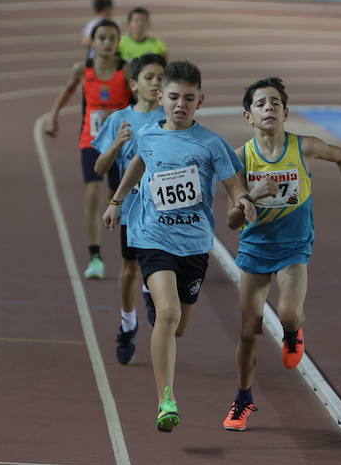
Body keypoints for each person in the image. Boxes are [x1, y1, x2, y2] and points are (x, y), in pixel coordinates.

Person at [101, 60, 256, 432]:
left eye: (188, 98)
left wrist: (242, 200)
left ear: (200, 100)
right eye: (173, 97)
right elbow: (137, 164)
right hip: (152, 237)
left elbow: (234, 184)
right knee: (168, 315)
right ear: (160, 97)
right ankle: (165, 399)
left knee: (179, 326)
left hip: (194, 244)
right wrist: (116, 202)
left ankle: (156, 303)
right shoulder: (149, 135)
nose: (180, 104)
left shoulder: (211, 144)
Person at [220, 77, 341, 431]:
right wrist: (252, 195)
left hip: (294, 246)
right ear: (248, 116)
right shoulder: (240, 158)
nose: (268, 108)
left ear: (286, 112)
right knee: (248, 330)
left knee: (288, 313)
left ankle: (292, 332)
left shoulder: (303, 147)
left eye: (275, 103)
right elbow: (229, 221)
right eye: (260, 103)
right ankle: (242, 399)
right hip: (255, 248)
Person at [91, 53, 168, 364]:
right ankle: (127, 323)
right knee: (128, 268)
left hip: (163, 207)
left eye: (161, 78)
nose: (156, 83)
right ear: (134, 84)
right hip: (132, 205)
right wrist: (116, 144)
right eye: (149, 77)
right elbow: (99, 167)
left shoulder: (171, 118)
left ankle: (151, 293)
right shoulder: (119, 120)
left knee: (157, 263)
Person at [45, 18, 132, 280]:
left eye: (111, 38)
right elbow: (67, 92)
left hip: (121, 145)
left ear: (118, 43)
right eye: (101, 38)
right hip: (91, 141)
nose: (106, 43)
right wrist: (53, 116)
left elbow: (141, 102)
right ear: (92, 42)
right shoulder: (82, 70)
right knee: (92, 195)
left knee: (121, 199)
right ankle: (95, 256)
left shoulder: (125, 71)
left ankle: (132, 253)